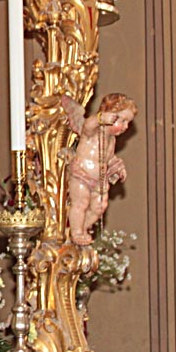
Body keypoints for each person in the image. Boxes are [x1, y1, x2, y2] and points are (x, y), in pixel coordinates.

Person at [61, 93, 137, 246]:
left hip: (98, 180)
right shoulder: (94, 131)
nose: (126, 127)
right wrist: (100, 118)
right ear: (109, 115)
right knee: (81, 203)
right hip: (82, 174)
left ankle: (81, 228)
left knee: (99, 207)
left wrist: (117, 166)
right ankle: (76, 232)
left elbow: (109, 158)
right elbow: (87, 125)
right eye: (122, 120)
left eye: (128, 122)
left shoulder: (111, 139)